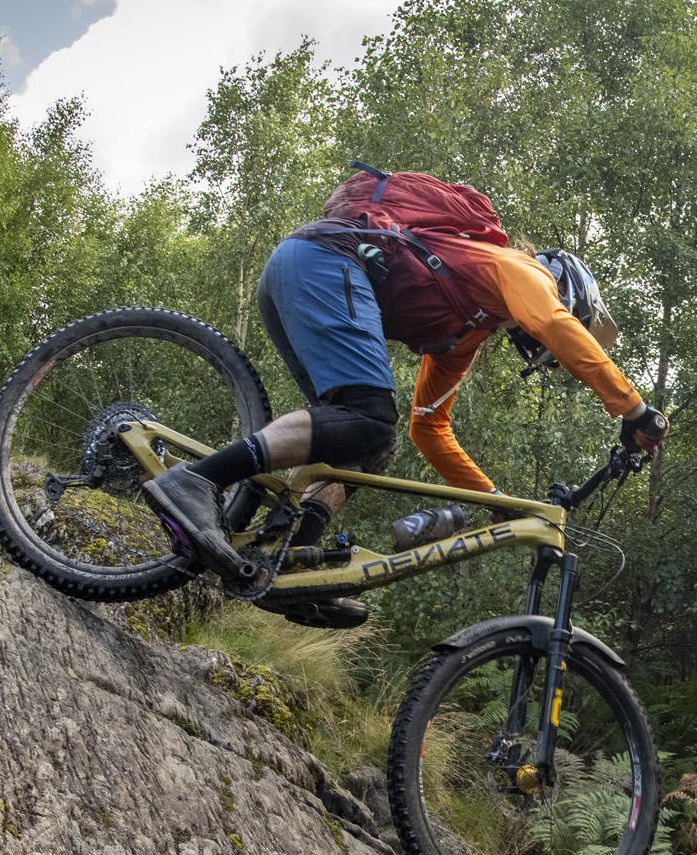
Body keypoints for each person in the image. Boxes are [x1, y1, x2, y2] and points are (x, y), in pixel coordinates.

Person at [143, 165, 670, 625]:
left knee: (367, 440)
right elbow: (554, 322)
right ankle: (197, 479)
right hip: (324, 261)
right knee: (367, 416)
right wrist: (633, 408)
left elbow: (430, 427)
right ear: (565, 288)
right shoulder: (514, 267)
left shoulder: (466, 330)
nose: (540, 347)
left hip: (302, 270)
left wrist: (494, 503)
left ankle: (292, 559)